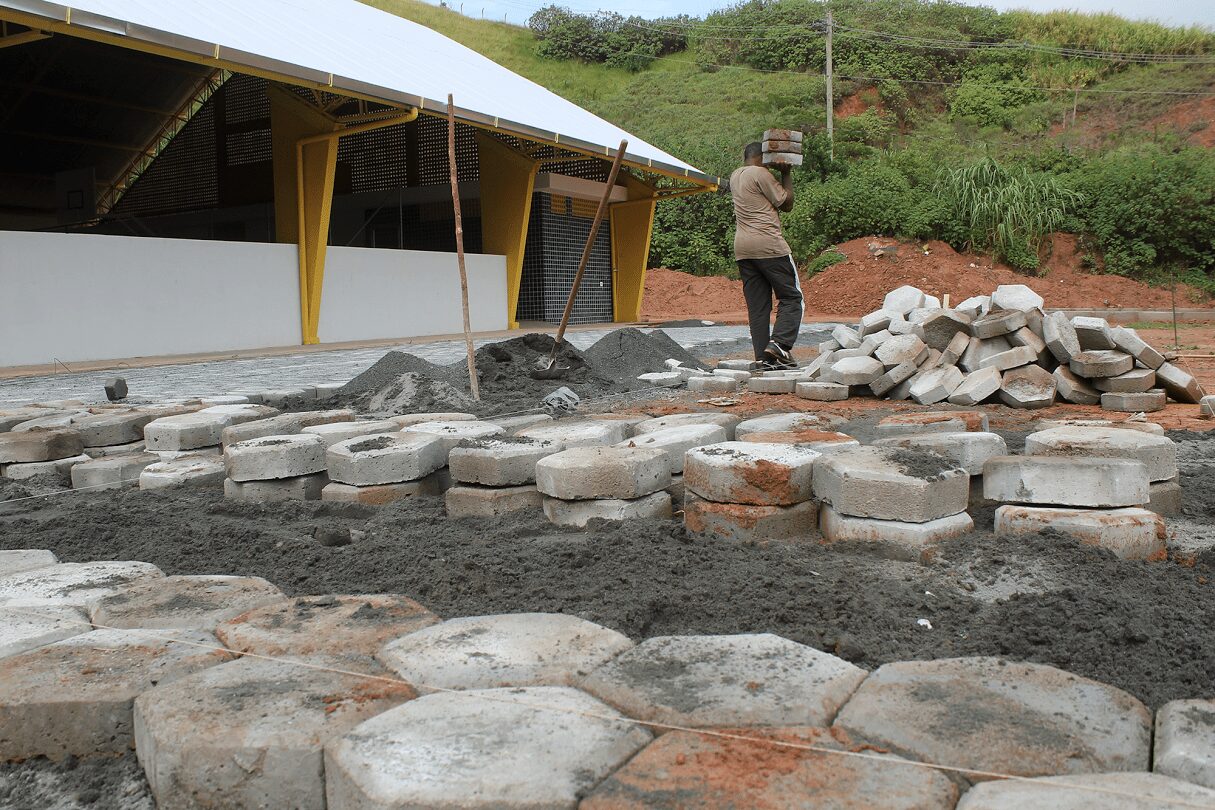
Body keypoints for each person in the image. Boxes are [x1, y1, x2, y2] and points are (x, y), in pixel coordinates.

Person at [729, 141, 802, 369]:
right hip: (769, 245)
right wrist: (786, 174)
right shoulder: (761, 173)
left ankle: (763, 359)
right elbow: (786, 203)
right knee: (791, 298)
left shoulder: (735, 176)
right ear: (761, 157)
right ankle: (780, 344)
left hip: (743, 249)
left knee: (758, 307)